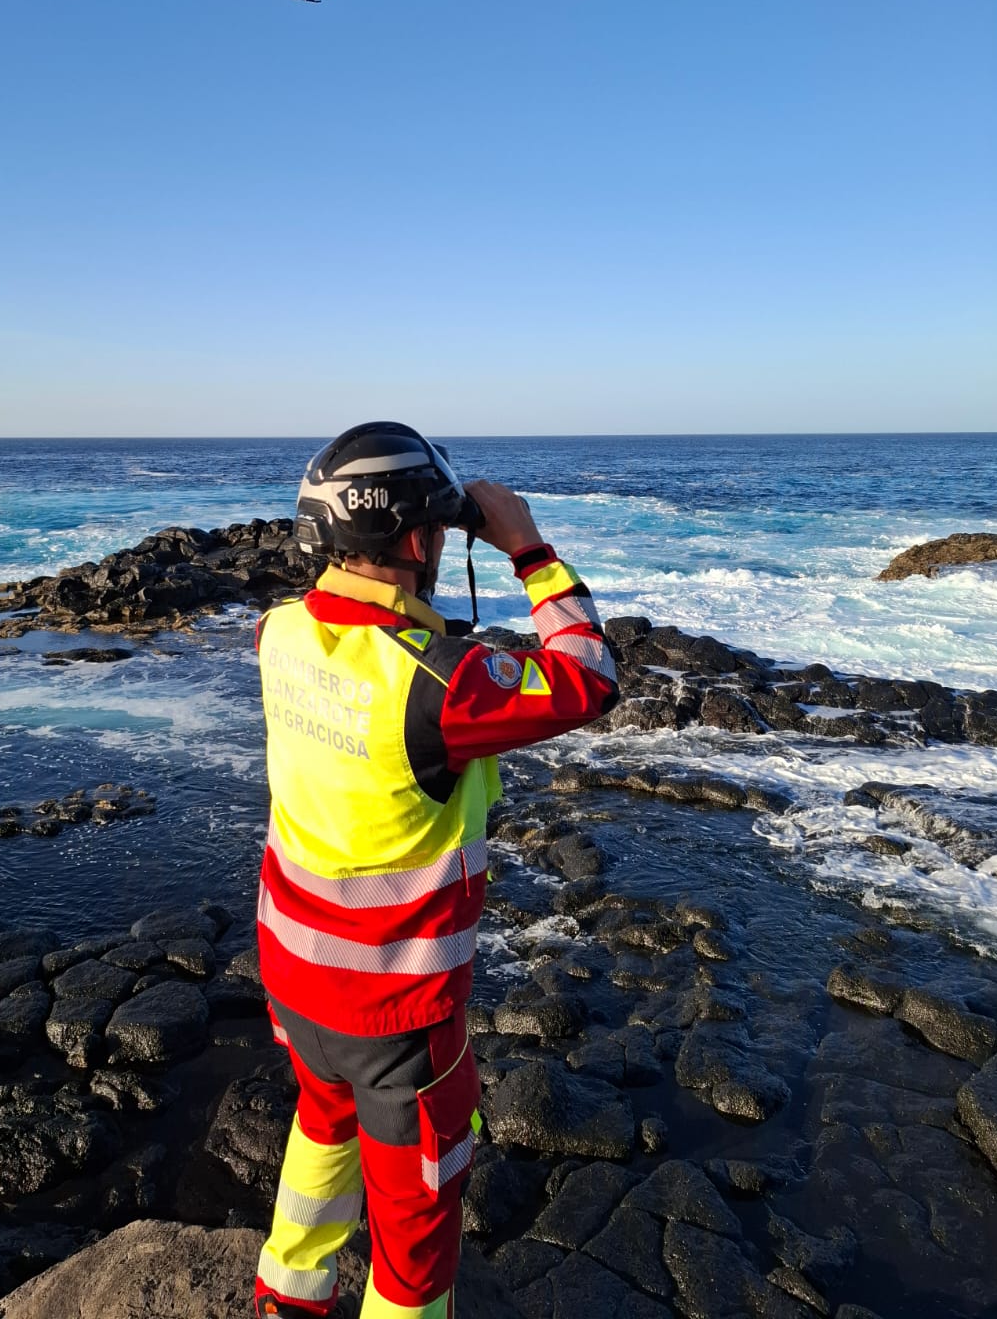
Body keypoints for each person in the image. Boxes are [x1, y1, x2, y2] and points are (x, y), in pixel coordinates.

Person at [252, 422, 620, 1319]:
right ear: (418, 543)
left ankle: (286, 1295)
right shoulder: (439, 683)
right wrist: (527, 549)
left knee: (323, 1122)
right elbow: (590, 676)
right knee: (416, 1236)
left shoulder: (278, 635)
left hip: (296, 980)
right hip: (398, 1016)